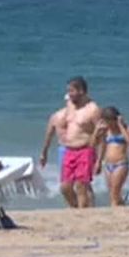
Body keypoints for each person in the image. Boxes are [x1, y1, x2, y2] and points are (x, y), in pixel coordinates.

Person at [40, 76, 101, 208]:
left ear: (81, 91)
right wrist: (44, 152)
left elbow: (101, 135)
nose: (69, 94)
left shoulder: (93, 109)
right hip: (69, 151)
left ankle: (82, 214)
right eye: (68, 91)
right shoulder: (70, 106)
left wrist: (99, 161)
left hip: (85, 150)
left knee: (81, 186)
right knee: (65, 187)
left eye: (71, 91)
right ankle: (76, 209)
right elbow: (54, 127)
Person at [96, 106, 129, 206]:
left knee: (114, 192)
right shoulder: (105, 131)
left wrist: (120, 125)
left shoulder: (127, 128)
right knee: (113, 193)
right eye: (106, 121)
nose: (108, 124)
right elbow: (94, 144)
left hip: (120, 163)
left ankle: (114, 213)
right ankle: (123, 206)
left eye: (110, 121)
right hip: (108, 164)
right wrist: (96, 131)